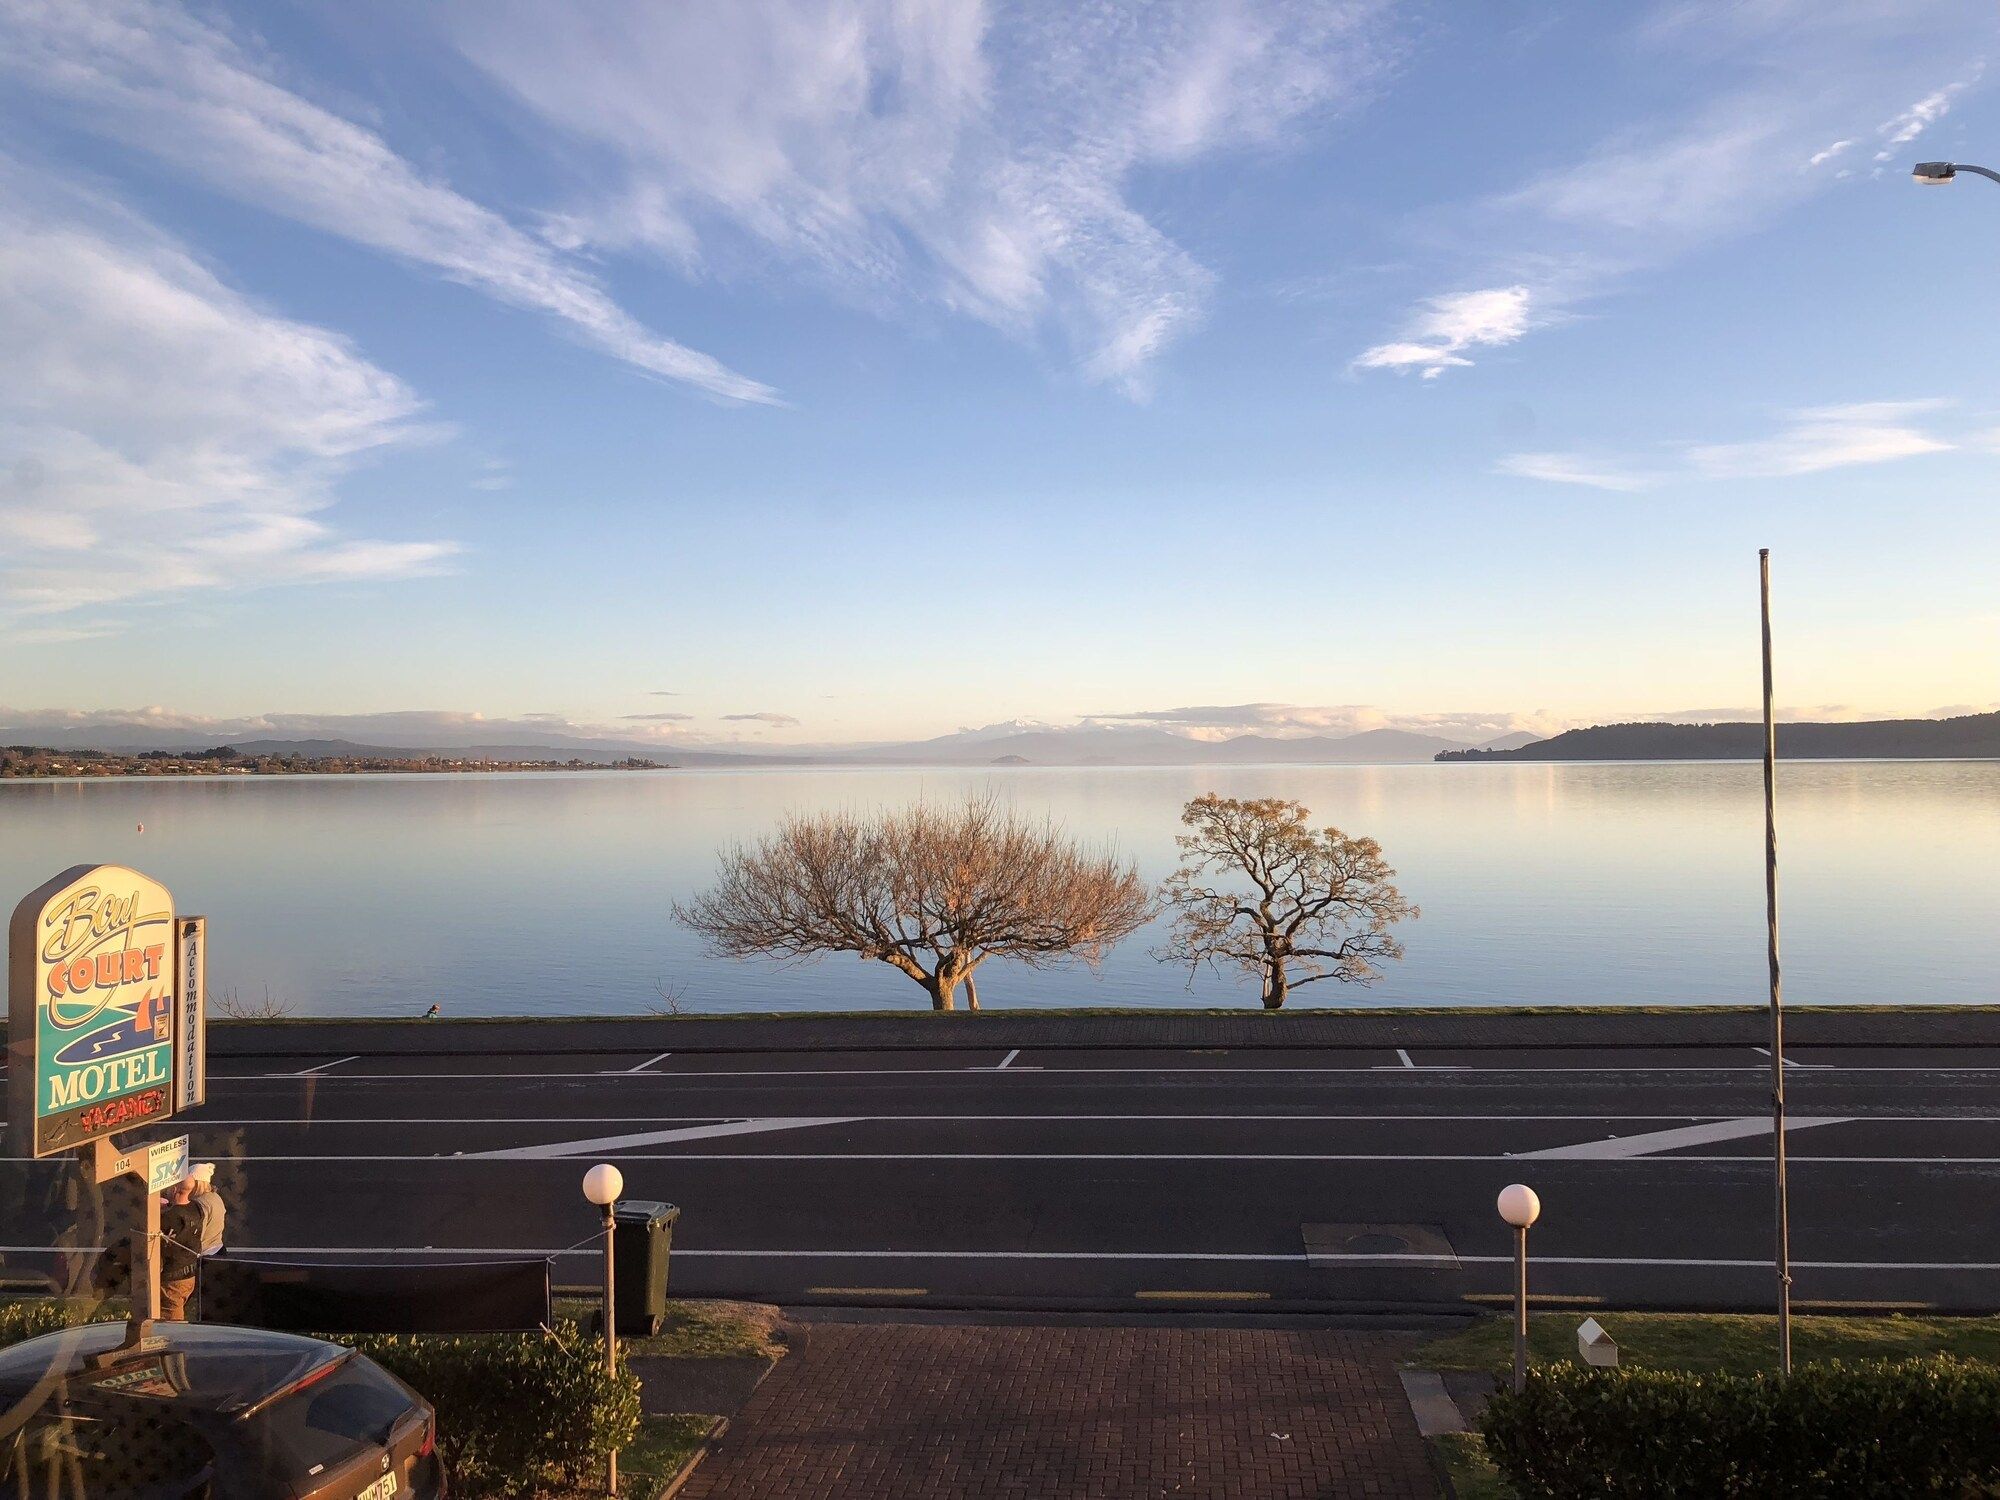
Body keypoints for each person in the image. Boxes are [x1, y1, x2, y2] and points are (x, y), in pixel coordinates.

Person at [158, 1177, 203, 1322]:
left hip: (173, 1278)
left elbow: (161, 1241)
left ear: (174, 1189)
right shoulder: (196, 1208)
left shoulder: (170, 1217)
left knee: (171, 1319)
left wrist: (158, 1213)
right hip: (189, 1273)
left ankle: (176, 1344)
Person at [189, 1162, 226, 1257]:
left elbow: (198, 1232)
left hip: (205, 1254)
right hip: (218, 1248)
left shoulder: (201, 1203)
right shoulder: (215, 1196)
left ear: (197, 1183)